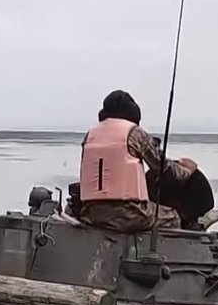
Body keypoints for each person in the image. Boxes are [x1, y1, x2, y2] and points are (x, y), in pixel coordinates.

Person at [76, 89, 199, 232]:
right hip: (131, 214)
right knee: (173, 217)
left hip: (91, 213)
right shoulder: (134, 133)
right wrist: (188, 170)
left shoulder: (89, 136)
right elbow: (164, 169)